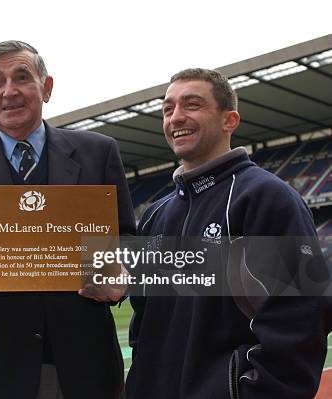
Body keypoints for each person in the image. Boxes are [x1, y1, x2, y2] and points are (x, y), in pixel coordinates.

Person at [0, 40, 135, 399]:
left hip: (84, 364)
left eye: (22, 77)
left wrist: (120, 277)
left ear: (46, 87)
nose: (9, 91)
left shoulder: (98, 153)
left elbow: (126, 242)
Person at [125, 68, 332, 398]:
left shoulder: (265, 199)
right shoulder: (155, 215)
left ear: (229, 120)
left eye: (192, 105)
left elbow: (300, 321)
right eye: (167, 109)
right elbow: (144, 324)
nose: (176, 117)